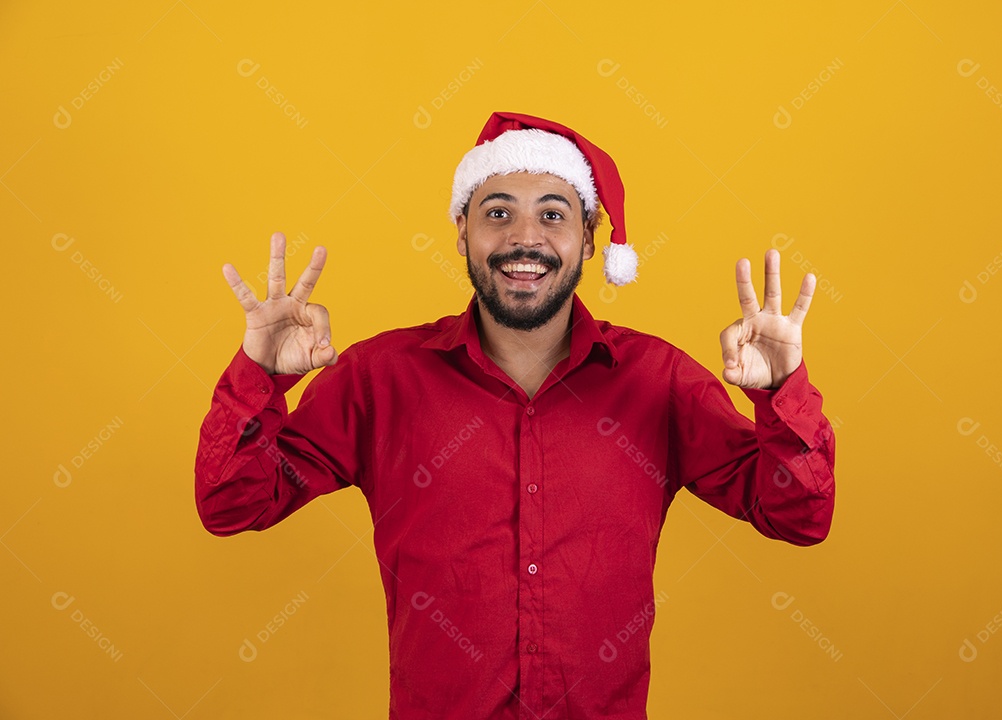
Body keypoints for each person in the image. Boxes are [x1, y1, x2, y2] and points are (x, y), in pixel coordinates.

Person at [194, 111, 836, 719]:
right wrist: (261, 376)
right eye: (496, 213)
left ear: (588, 240)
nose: (524, 238)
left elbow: (799, 515)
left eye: (552, 215)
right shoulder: (380, 377)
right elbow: (231, 504)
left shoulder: (657, 380)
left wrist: (782, 393)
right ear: (462, 234)